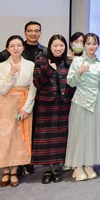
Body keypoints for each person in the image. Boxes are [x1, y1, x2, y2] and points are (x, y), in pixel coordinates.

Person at [0, 35, 37, 187]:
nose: (16, 48)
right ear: (7, 49)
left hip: (22, 103)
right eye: (12, 46)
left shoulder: (30, 65)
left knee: (19, 136)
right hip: (6, 104)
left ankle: (15, 170)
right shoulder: (2, 66)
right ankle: (5, 169)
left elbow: (33, 88)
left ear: (23, 47)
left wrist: (27, 108)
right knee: (4, 136)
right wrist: (10, 74)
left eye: (19, 45)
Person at [32, 34, 75, 184]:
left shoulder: (69, 62)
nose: (58, 48)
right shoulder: (41, 61)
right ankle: (46, 170)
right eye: (55, 45)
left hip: (64, 104)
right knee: (44, 139)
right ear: (50, 47)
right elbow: (37, 83)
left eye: (61, 45)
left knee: (60, 138)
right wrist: (49, 69)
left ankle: (57, 168)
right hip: (45, 104)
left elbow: (73, 83)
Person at [65, 33, 100, 181]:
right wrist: (80, 71)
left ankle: (89, 164)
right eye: (88, 43)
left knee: (92, 133)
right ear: (84, 45)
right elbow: (70, 82)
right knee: (79, 133)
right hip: (80, 101)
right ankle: (77, 166)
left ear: (98, 45)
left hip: (96, 102)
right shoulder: (77, 61)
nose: (91, 46)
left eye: (94, 43)